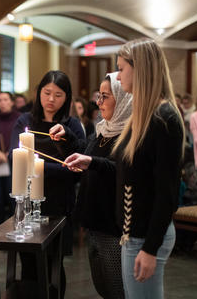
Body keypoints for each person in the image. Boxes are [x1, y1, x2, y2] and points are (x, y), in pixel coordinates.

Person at [65, 38, 184, 299]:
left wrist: (150, 248)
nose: (118, 75)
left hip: (145, 234)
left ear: (140, 69)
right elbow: (128, 169)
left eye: (121, 68)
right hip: (132, 232)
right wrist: (92, 161)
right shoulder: (141, 115)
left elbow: (166, 192)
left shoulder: (164, 118)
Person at [10, 70, 85, 298]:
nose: (51, 99)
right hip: (27, 202)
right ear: (39, 93)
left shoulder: (72, 126)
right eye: (47, 92)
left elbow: (77, 170)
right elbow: (15, 159)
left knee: (54, 264)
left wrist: (37, 167)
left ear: (67, 97)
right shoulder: (25, 122)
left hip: (59, 203)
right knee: (29, 263)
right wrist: (59, 168)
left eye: (58, 94)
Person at [60, 73, 132, 298]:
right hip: (94, 220)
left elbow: (119, 168)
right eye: (98, 96)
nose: (98, 102)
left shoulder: (130, 134)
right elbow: (88, 153)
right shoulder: (104, 128)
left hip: (112, 223)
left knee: (117, 288)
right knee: (102, 286)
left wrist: (92, 162)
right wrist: (68, 137)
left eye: (105, 96)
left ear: (122, 100)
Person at [0, 91, 21, 227]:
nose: (2, 103)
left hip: (13, 162)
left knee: (12, 198)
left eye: (5, 100)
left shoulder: (19, 118)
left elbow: (22, 137)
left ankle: (14, 227)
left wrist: (10, 152)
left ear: (12, 102)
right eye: (0, 100)